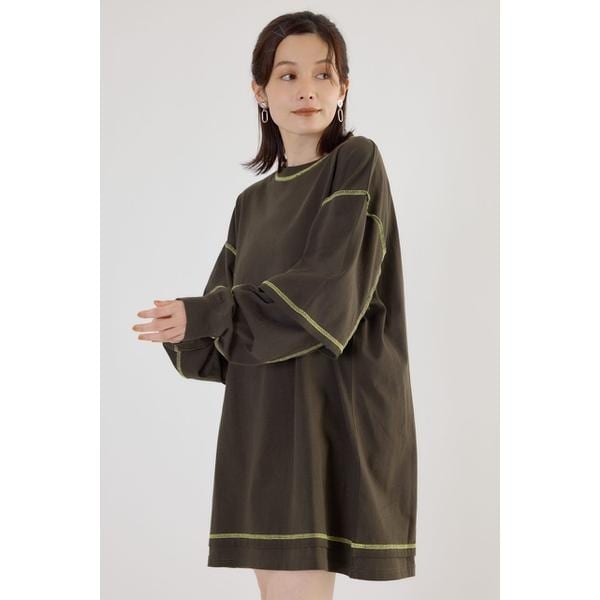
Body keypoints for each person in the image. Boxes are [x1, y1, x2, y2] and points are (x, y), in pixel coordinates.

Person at [133, 10, 417, 600]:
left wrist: (208, 314)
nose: (307, 89)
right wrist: (182, 326)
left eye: (323, 74)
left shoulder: (356, 162)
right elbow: (221, 335)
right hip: (263, 419)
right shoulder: (251, 203)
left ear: (343, 87)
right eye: (287, 75)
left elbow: (329, 286)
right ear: (260, 92)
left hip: (332, 413)